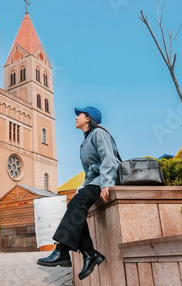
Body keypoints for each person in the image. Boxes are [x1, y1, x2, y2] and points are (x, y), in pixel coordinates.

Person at [37, 106, 120, 281]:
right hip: (94, 181)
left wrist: (107, 183)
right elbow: (89, 170)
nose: (76, 118)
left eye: (79, 115)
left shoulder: (99, 133)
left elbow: (109, 159)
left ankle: (63, 251)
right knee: (75, 206)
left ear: (88, 118)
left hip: (106, 179)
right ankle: (90, 254)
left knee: (75, 204)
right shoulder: (85, 141)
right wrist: (83, 186)